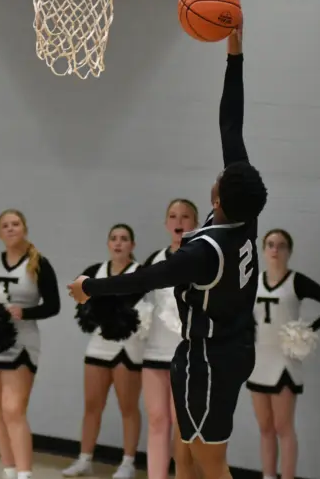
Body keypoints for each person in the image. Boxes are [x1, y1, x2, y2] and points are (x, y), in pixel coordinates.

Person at [68, 29, 268, 479]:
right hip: (229, 347)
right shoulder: (246, 217)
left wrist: (90, 287)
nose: (220, 172)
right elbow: (231, 125)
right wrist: (235, 55)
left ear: (217, 198)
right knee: (184, 449)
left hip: (210, 357)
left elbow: (143, 279)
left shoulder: (204, 252)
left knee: (209, 460)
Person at [249, 228, 320, 479]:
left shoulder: (296, 281)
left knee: (283, 427)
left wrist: (308, 329)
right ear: (263, 250)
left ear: (289, 251)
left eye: (281, 245)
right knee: (265, 427)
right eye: (270, 244)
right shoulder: (252, 282)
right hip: (258, 360)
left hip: (284, 361)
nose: (275, 250)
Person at [0, 209, 61, 479]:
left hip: (23, 341)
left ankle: (25, 474)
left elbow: (54, 305)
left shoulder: (39, 263)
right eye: (5, 225)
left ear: (24, 229)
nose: (11, 228)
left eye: (15, 224)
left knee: (14, 409)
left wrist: (25, 312)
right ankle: (9, 471)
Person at [63, 223, 144, 479]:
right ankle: (84, 459)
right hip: (99, 344)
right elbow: (78, 296)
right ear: (108, 243)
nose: (118, 243)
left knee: (127, 407)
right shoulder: (93, 272)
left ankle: (128, 463)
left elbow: (138, 307)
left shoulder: (140, 273)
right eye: (114, 238)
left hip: (128, 346)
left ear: (132, 245)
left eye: (124, 238)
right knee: (92, 405)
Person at [140, 198, 200, 479]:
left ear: (196, 224)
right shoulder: (155, 259)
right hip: (154, 353)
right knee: (156, 420)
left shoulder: (205, 260)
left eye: (185, 216)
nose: (179, 222)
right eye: (173, 216)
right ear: (166, 224)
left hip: (187, 356)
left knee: (182, 426)